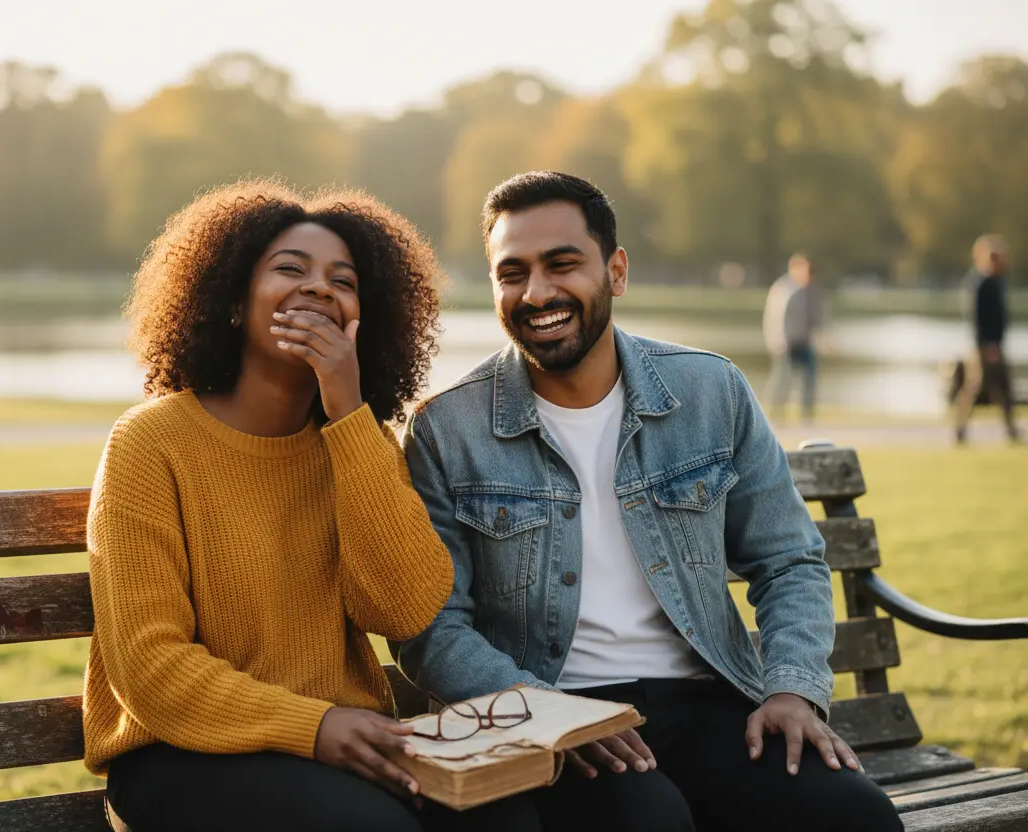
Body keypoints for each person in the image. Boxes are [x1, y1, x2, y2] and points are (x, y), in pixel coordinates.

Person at [395, 172, 902, 831]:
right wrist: (547, 715)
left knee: (854, 816)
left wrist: (791, 689)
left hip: (710, 706)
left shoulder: (710, 390)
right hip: (552, 715)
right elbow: (433, 628)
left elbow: (789, 560)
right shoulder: (445, 429)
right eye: (511, 272)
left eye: (562, 264)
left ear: (617, 270)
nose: (537, 292)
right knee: (648, 820)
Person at [84, 181, 474, 831]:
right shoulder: (150, 443)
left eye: (342, 281)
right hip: (182, 757)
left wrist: (348, 411)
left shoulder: (360, 441)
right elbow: (150, 669)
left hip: (341, 745)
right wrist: (314, 727)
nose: (320, 288)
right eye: (291, 269)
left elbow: (404, 607)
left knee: (504, 813)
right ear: (233, 303)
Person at [953, 234, 1019, 444]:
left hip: (995, 345)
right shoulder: (981, 283)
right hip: (986, 346)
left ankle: (1011, 430)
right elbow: (979, 318)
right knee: (978, 387)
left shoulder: (997, 282)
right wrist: (988, 345)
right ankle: (960, 429)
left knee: (1002, 388)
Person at [763, 253, 823, 422]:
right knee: (783, 378)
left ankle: (807, 414)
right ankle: (775, 413)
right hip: (786, 343)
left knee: (809, 378)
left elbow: (816, 315)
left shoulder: (810, 290)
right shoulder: (784, 290)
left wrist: (822, 337)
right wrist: (781, 343)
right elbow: (777, 320)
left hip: (804, 341)